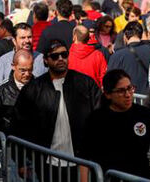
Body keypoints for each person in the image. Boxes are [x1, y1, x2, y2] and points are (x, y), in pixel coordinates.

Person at [10, 40, 101, 179]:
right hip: (46, 162)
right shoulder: (33, 89)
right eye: (55, 56)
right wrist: (22, 162)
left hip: (81, 162)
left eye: (64, 55)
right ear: (46, 60)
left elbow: (100, 119)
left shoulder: (86, 84)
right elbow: (19, 127)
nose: (60, 59)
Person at [83, 70, 150, 178]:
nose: (128, 94)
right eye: (121, 91)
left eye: (130, 88)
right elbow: (85, 156)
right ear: (108, 94)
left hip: (140, 177)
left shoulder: (144, 114)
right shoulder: (96, 119)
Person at [0, 23, 46, 114]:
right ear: (14, 40)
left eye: (29, 37)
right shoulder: (3, 62)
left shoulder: (42, 60)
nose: (27, 41)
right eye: (22, 38)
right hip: (8, 118)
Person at [0, 50, 34, 134]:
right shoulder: (1, 91)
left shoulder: (40, 87)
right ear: (13, 66)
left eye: (30, 70)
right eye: (22, 70)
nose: (27, 74)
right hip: (8, 144)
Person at [107, 21, 150, 94]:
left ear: (125, 36)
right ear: (141, 35)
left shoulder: (117, 55)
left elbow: (110, 80)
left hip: (126, 98)